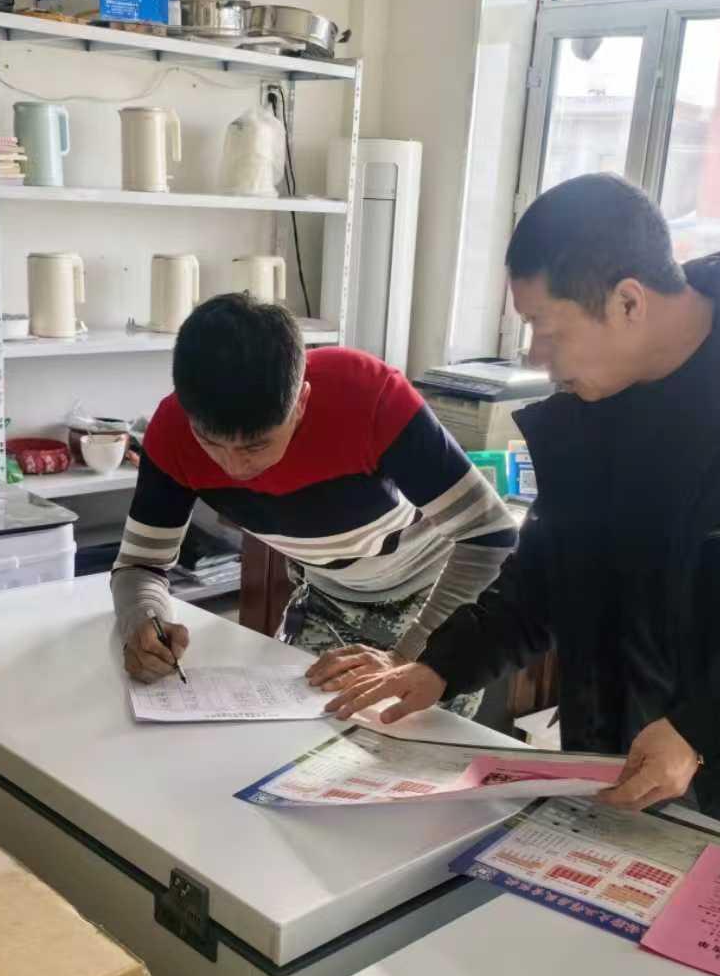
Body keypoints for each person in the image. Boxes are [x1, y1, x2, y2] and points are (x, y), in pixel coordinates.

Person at [312, 173, 720, 885]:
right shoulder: (601, 403)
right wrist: (442, 665)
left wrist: (702, 731)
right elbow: (549, 573)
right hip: (662, 758)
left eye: (546, 328)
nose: (535, 355)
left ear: (627, 301)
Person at [111, 293, 518, 715]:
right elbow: (140, 565)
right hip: (326, 597)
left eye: (256, 446)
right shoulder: (173, 431)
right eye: (210, 443)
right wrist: (144, 619)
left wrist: (407, 654)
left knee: (412, 746)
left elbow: (492, 536)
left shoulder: (369, 397)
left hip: (437, 599)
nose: (234, 467)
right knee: (297, 738)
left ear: (301, 402)